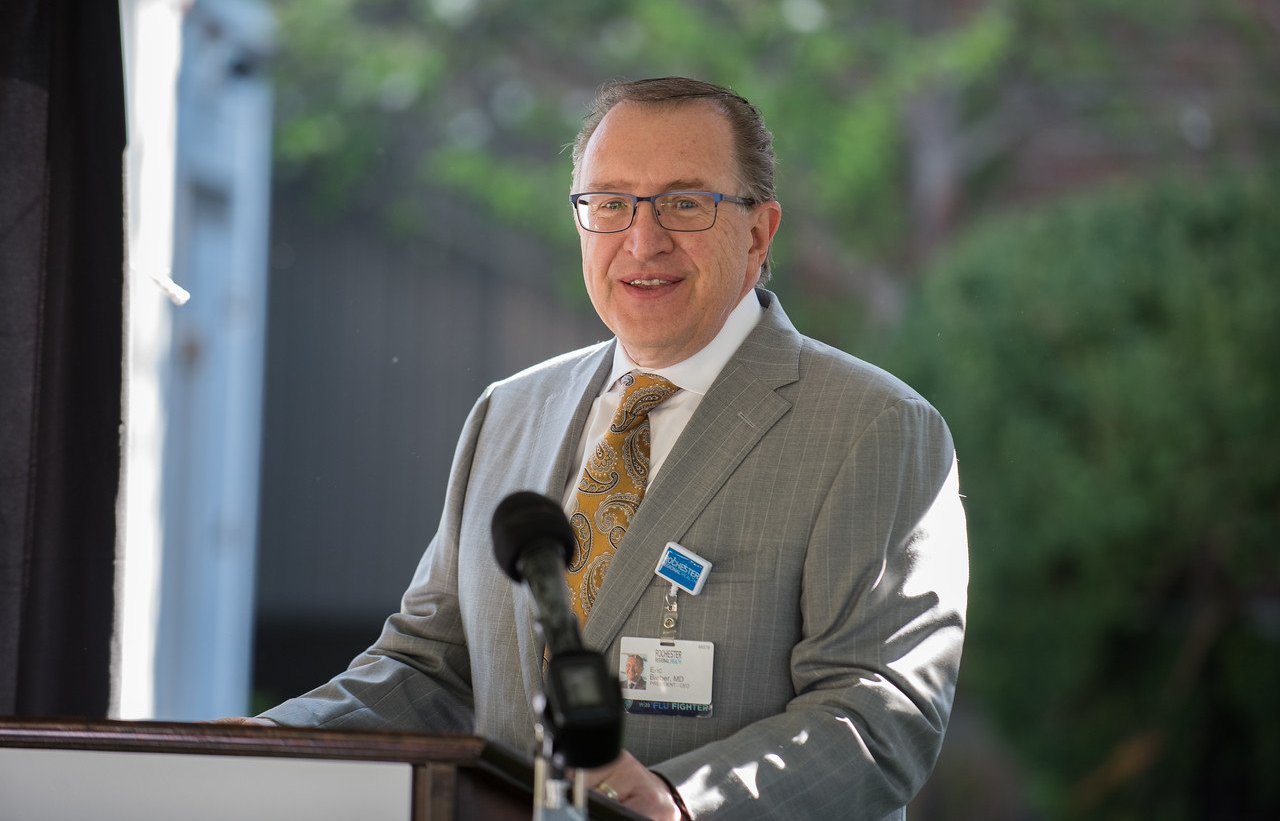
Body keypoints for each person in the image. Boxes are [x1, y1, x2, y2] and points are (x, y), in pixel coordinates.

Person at [241, 77, 968, 820]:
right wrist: (256, 746)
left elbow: (880, 716)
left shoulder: (874, 428)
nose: (642, 240)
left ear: (758, 231)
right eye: (610, 203)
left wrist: (681, 802)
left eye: (685, 203)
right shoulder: (509, 412)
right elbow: (432, 668)